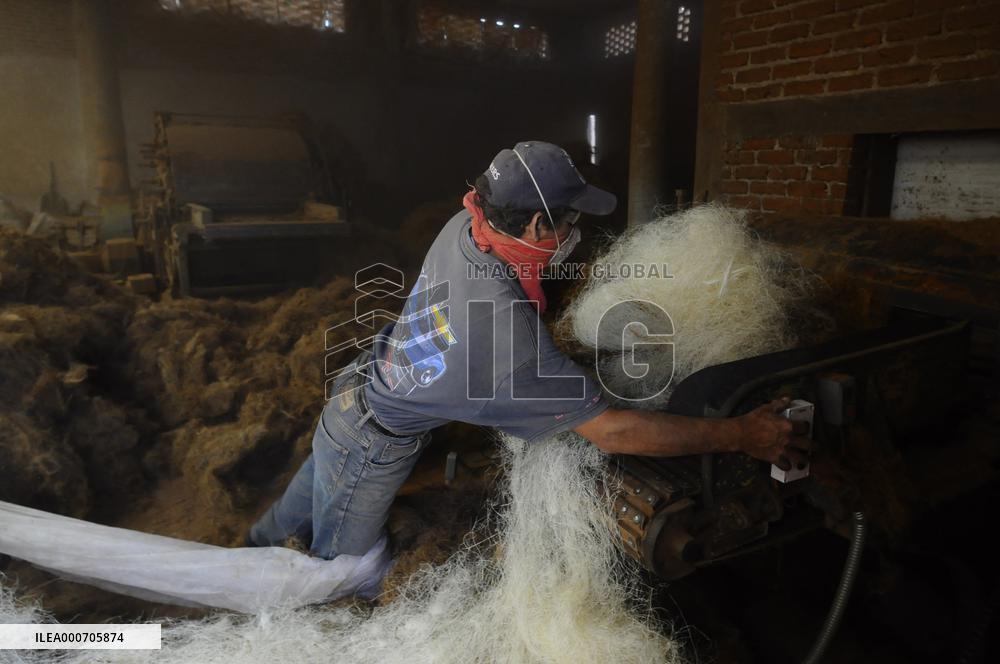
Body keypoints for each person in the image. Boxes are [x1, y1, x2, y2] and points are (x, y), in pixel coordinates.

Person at [248, 141, 810, 560]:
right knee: (332, 577)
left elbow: (515, 299)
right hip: (372, 444)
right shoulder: (506, 342)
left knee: (277, 530)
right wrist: (741, 435)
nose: (575, 231)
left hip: (353, 393)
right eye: (570, 221)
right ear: (538, 222)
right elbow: (612, 431)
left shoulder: (464, 224)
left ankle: (240, 556)